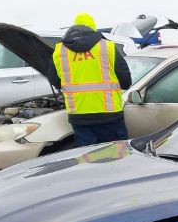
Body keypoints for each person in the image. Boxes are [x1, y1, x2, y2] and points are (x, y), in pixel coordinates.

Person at [48, 13, 132, 147]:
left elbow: (54, 80)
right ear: (93, 29)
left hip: (79, 114)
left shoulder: (60, 51)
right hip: (109, 114)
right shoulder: (107, 46)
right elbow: (126, 80)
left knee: (87, 157)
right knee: (117, 155)